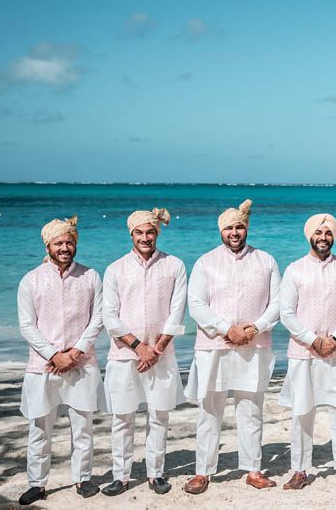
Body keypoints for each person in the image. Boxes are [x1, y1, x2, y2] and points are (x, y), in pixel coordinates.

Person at [183, 199, 281, 494]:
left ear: (246, 228)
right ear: (221, 231)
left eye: (240, 227)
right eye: (229, 228)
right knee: (210, 409)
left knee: (251, 408)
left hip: (254, 345)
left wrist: (254, 328)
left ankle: (253, 469)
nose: (235, 232)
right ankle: (203, 471)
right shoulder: (205, 262)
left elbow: (277, 303)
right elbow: (196, 304)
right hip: (215, 346)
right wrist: (227, 329)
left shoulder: (266, 261)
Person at [17, 215, 104, 506]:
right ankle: (37, 484)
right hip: (43, 365)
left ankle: (83, 478)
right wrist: (55, 355)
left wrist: (75, 352)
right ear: (49, 245)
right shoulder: (30, 279)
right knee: (40, 427)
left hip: (82, 363)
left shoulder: (90, 276)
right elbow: (27, 325)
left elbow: (98, 318)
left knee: (83, 426)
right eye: (59, 243)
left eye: (69, 242)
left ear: (75, 243)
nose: (64, 247)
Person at [100, 208, 187, 497]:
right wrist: (140, 348)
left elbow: (177, 311)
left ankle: (156, 473)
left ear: (157, 233)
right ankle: (121, 476)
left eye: (150, 232)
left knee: (158, 415)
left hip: (161, 354)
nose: (145, 237)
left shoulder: (174, 265)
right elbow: (110, 317)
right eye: (139, 232)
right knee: (123, 417)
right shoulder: (115, 269)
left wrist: (157, 349)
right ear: (131, 234)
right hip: (126, 355)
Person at [278, 213, 336, 493]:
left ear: (334, 237)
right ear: (309, 236)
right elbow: (286, 313)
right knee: (302, 412)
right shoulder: (294, 269)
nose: (323, 237)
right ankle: (300, 470)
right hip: (304, 353)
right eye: (318, 233)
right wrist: (314, 340)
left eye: (328, 233)